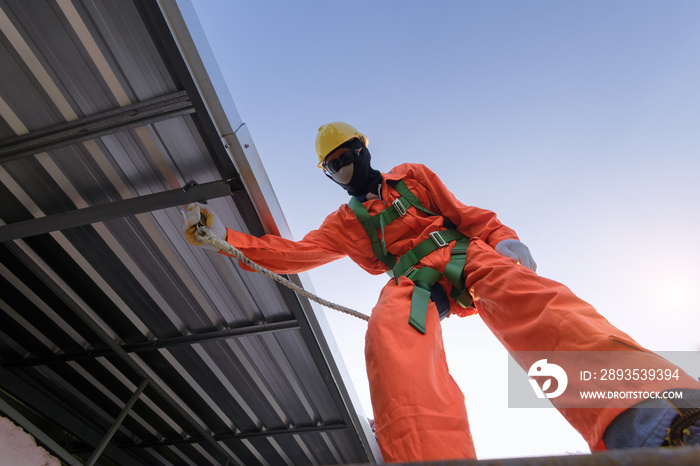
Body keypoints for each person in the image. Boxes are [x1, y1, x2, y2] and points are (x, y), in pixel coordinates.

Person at [183, 122, 700, 462]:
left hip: (463, 252)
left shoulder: (413, 176)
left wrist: (504, 240)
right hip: (411, 279)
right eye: (332, 167)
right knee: (391, 339)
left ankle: (658, 419)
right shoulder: (345, 221)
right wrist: (225, 238)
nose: (343, 170)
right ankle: (427, 455)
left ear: (364, 150)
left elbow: (466, 215)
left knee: (538, 307)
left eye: (346, 157)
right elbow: (295, 253)